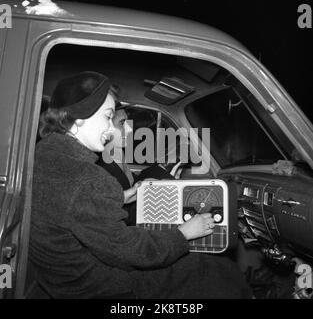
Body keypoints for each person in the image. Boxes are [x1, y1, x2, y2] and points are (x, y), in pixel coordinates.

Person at [30, 71, 252, 299]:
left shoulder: (47, 154)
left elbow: (71, 207)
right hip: (96, 287)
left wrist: (123, 196)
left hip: (63, 281)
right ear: (78, 119)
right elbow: (131, 252)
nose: (111, 128)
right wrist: (184, 233)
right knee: (211, 269)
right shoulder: (86, 177)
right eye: (108, 117)